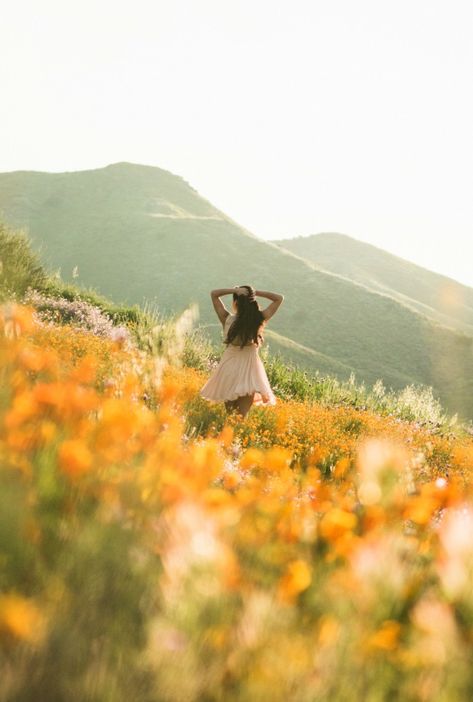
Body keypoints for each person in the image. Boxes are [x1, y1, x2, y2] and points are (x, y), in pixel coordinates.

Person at [199, 285, 284, 418]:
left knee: (229, 415)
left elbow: (214, 293)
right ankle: (235, 437)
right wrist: (255, 293)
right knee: (241, 417)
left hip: (229, 369)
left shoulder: (227, 319)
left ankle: (226, 436)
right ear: (252, 301)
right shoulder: (258, 319)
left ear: (235, 302)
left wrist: (234, 291)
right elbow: (279, 299)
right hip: (250, 371)